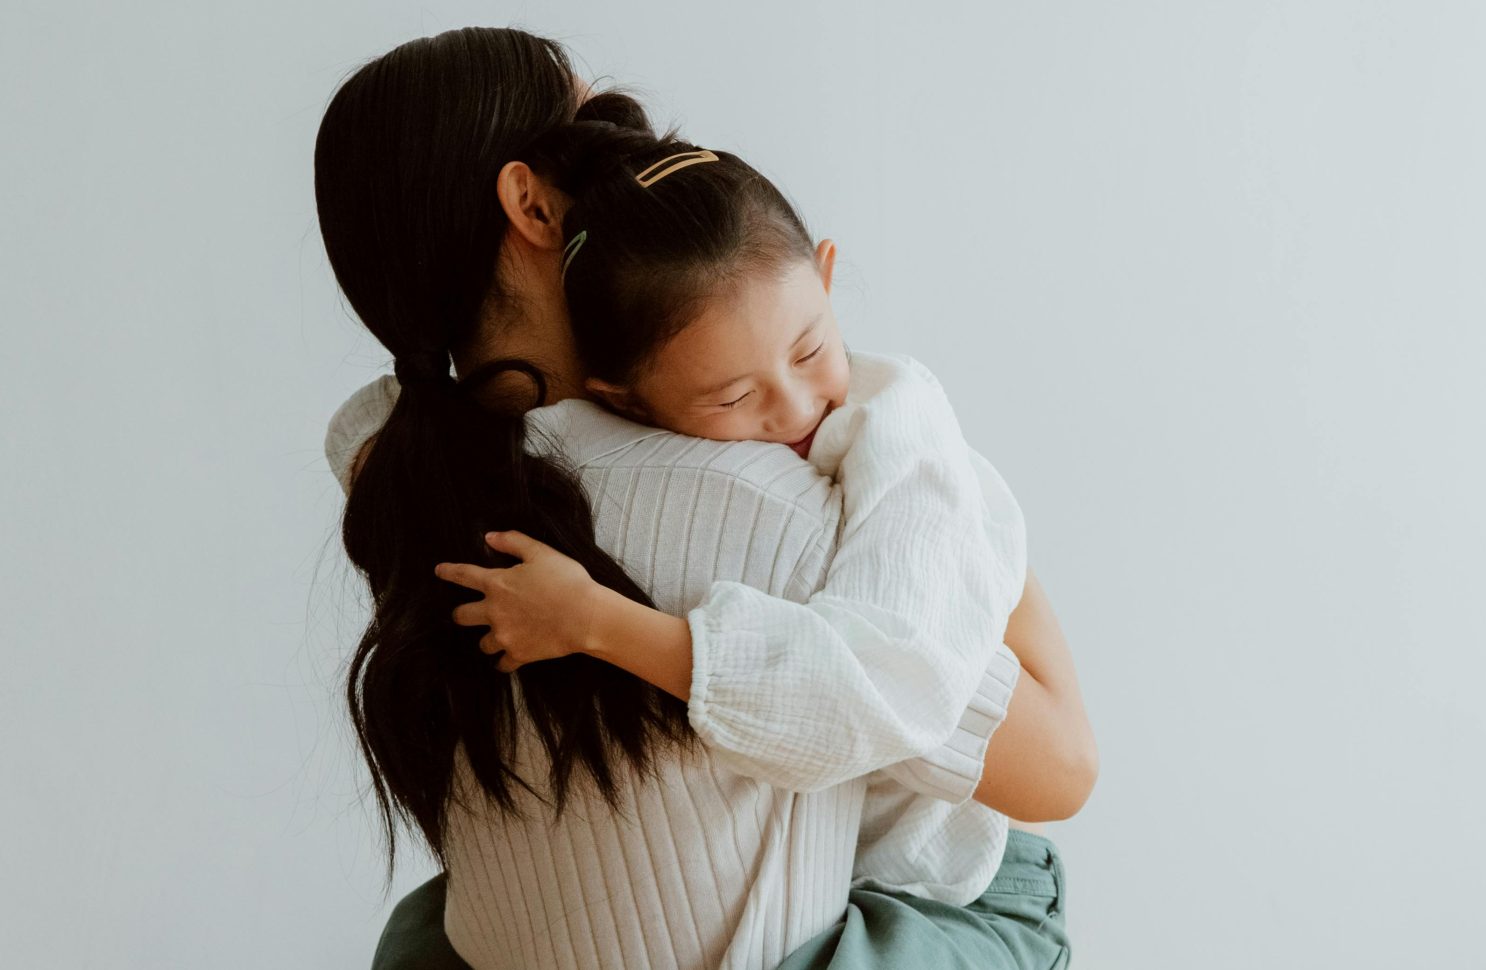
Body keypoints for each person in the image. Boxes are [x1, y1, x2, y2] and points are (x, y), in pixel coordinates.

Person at [317, 26, 1095, 970]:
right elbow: (1061, 768)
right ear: (533, 204)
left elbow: (366, 421)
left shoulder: (398, 483)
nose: (645, 155)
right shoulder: (776, 504)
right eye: (603, 130)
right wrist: (932, 473)